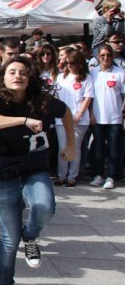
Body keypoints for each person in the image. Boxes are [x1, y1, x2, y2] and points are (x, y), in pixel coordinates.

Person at [0, 56, 75, 285]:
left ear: (30, 77)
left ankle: (30, 236)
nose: (18, 75)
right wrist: (22, 121)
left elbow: (66, 113)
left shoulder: (41, 102)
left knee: (44, 206)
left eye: (23, 72)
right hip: (4, 172)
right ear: (3, 77)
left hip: (34, 169)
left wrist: (71, 145)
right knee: (9, 237)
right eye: (12, 72)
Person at [53, 49, 93, 187]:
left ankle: (72, 176)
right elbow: (56, 96)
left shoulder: (86, 78)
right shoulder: (61, 77)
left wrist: (79, 114)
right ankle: (61, 175)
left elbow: (88, 97)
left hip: (79, 119)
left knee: (75, 148)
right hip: (61, 119)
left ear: (79, 63)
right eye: (67, 63)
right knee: (62, 148)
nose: (69, 65)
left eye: (73, 63)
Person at [89, 44, 123, 189]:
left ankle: (111, 176)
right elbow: (88, 97)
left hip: (115, 117)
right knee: (97, 148)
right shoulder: (92, 73)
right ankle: (98, 175)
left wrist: (122, 110)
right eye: (102, 55)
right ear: (98, 56)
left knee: (115, 148)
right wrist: (90, 114)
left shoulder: (121, 72)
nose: (105, 58)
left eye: (108, 55)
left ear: (112, 56)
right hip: (97, 117)